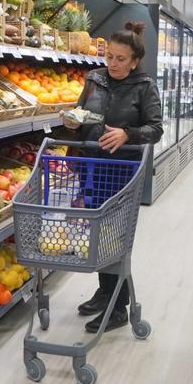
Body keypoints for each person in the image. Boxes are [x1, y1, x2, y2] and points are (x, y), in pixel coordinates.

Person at [72, 21, 163, 333]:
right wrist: (72, 121)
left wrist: (128, 134)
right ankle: (106, 291)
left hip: (124, 171)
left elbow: (156, 128)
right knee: (99, 233)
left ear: (134, 60)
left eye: (120, 59)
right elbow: (81, 112)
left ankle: (117, 306)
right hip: (92, 167)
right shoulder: (94, 79)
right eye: (109, 56)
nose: (112, 64)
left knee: (115, 237)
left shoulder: (144, 86)